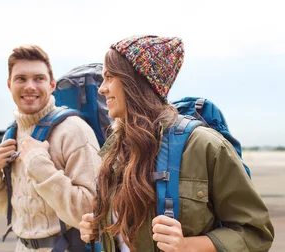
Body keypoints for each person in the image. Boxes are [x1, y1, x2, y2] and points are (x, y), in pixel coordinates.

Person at [78, 35, 275, 251]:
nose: (101, 88)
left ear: (135, 81)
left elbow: (256, 232)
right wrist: (100, 228)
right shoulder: (114, 150)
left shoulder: (204, 146)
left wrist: (188, 245)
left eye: (109, 77)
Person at [0, 44, 101, 251]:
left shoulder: (74, 131)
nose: (30, 86)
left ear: (52, 84)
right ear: (9, 84)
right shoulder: (11, 134)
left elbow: (89, 210)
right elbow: (14, 210)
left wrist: (39, 166)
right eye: (21, 79)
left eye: (39, 78)